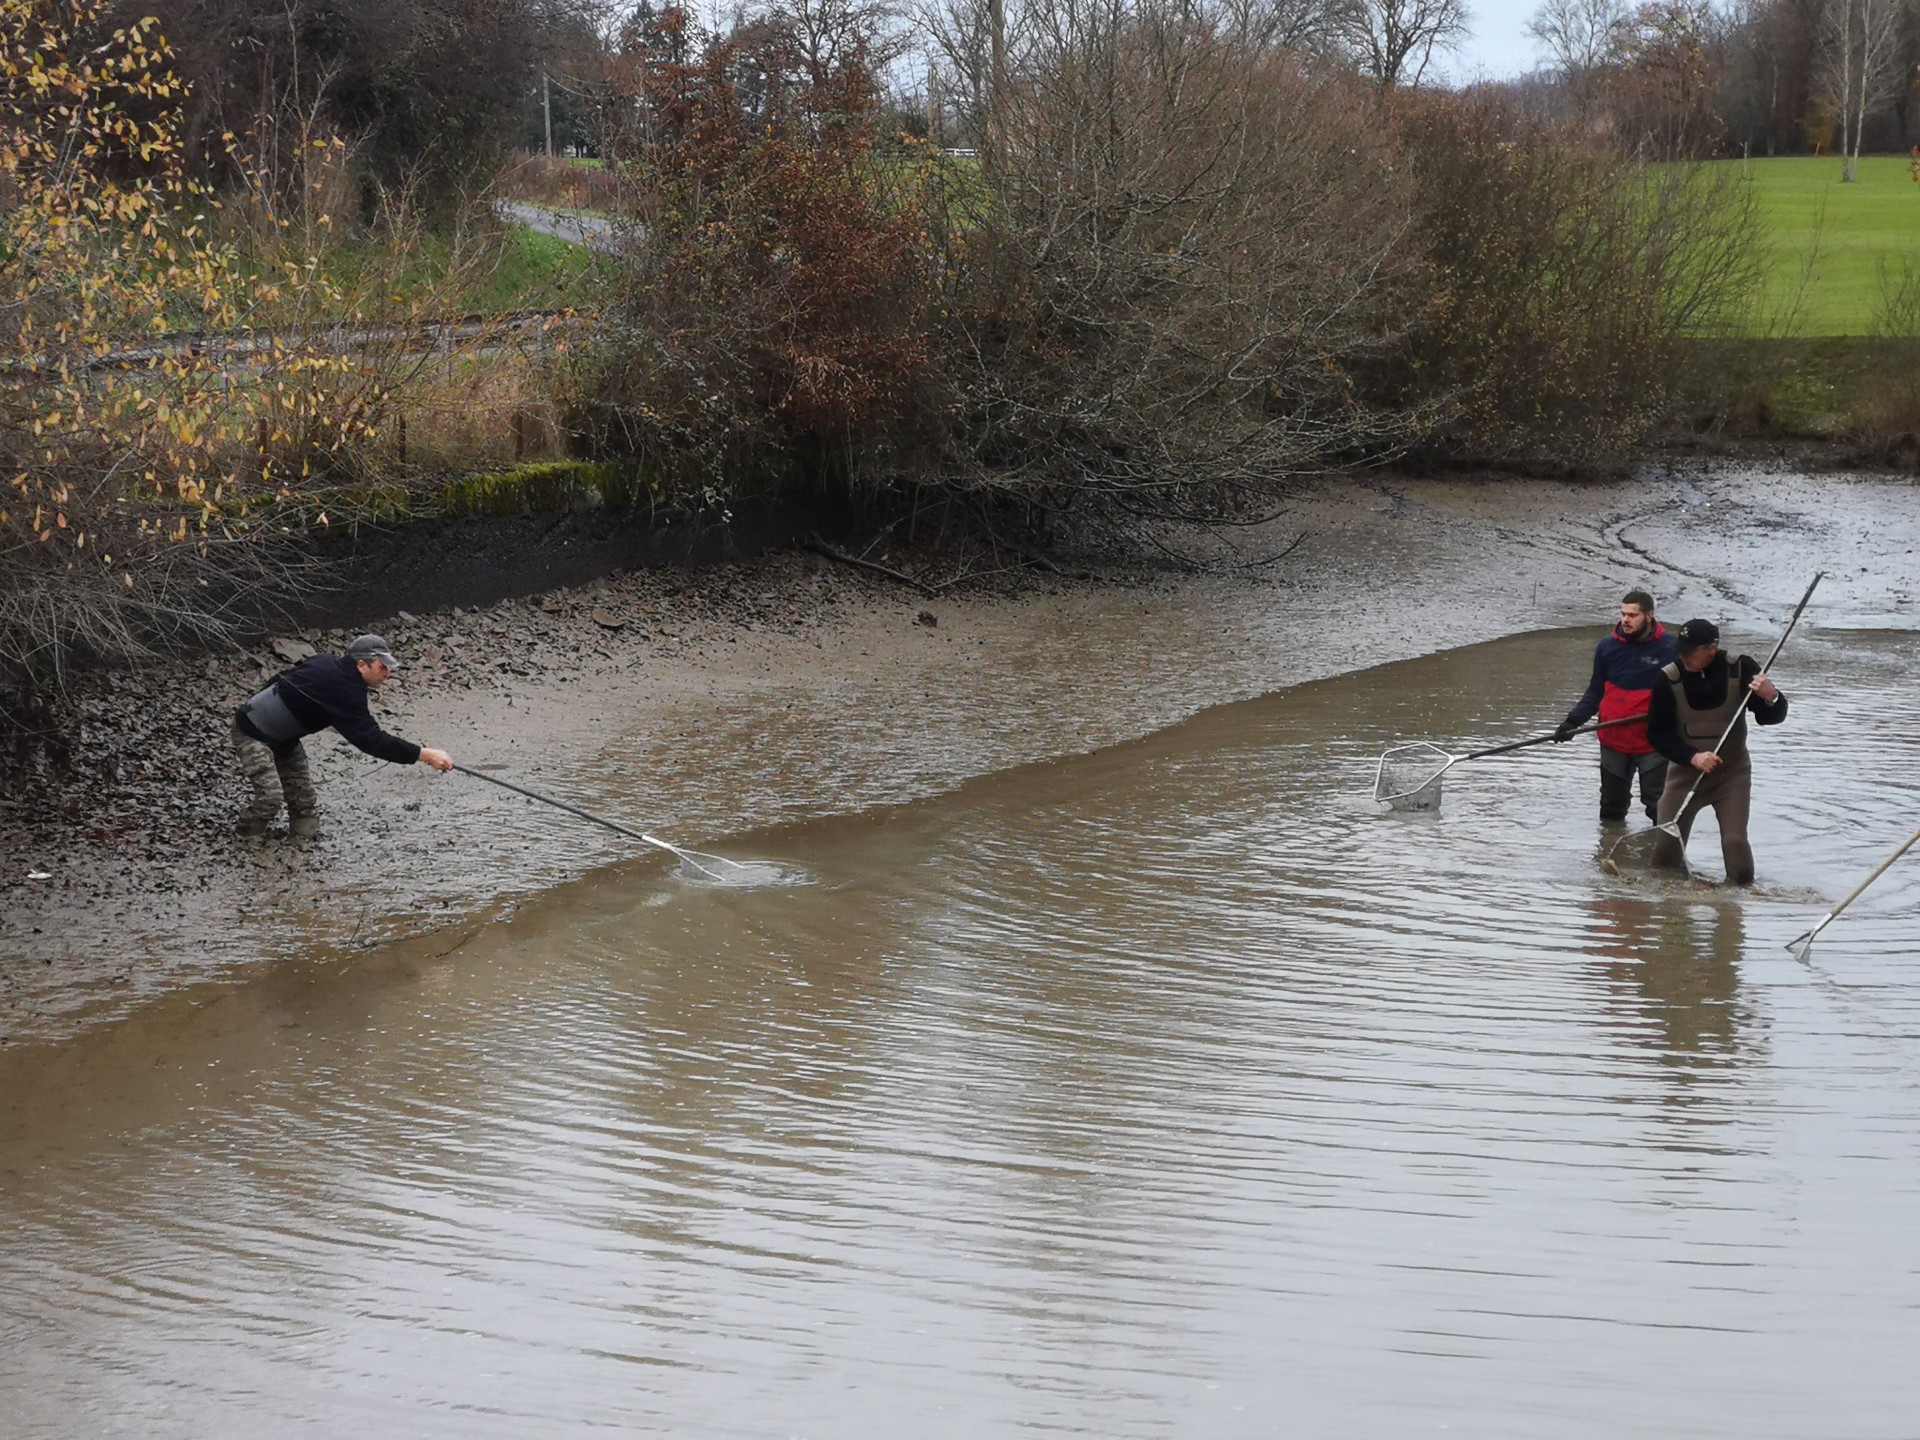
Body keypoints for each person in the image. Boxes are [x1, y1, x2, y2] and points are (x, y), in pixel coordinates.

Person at [231, 633, 454, 837]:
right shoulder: (344, 691)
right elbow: (372, 740)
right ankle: (246, 841)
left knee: (303, 800)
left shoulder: (325, 662)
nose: (387, 674)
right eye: (382, 667)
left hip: (286, 740)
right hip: (252, 732)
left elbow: (278, 679)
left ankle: (303, 845)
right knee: (270, 798)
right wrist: (423, 754)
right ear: (361, 665)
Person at [1644, 618, 1787, 886]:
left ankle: (1736, 907)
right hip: (1684, 776)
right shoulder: (1668, 678)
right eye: (1680, 649)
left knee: (1735, 842)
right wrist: (1693, 757)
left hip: (1732, 775)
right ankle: (1669, 914)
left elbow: (1772, 718)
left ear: (1711, 648)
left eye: (1690, 650)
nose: (1682, 655)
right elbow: (1658, 735)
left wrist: (1772, 697)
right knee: (1666, 851)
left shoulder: (1742, 668)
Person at [1555, 589, 1680, 822]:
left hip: (1653, 743)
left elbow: (1687, 694)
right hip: (1612, 739)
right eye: (1623, 614)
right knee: (1611, 806)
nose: (1625, 620)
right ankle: (1609, 851)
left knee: (1659, 807)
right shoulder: (1607, 647)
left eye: (1633, 615)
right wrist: (1572, 722)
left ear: (1649, 615)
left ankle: (1661, 854)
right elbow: (1595, 692)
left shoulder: (1672, 648)